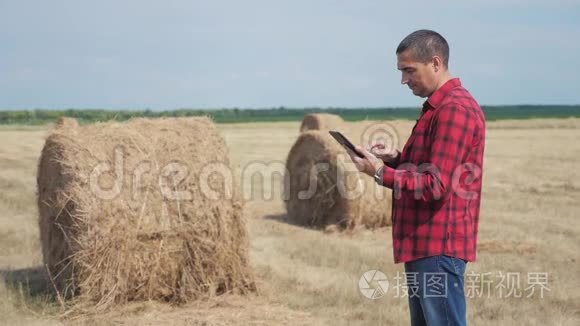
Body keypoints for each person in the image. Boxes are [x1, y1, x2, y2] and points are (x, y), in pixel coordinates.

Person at [347, 29, 486, 326]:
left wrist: (380, 173)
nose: (403, 80)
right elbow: (432, 168)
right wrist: (396, 159)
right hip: (425, 244)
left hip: (438, 247)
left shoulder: (454, 110)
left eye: (409, 70)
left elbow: (436, 185)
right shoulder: (438, 108)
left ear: (435, 63)